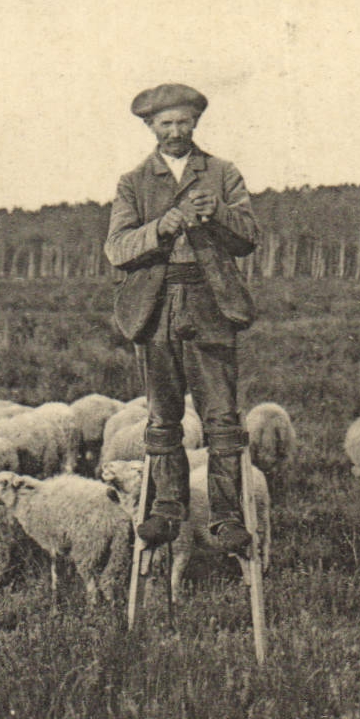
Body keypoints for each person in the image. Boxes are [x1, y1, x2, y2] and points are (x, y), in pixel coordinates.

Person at [104, 83, 260, 553]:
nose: (174, 131)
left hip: (210, 302)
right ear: (151, 127)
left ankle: (227, 517)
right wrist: (166, 224)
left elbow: (250, 236)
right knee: (163, 416)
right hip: (155, 307)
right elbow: (118, 249)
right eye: (164, 123)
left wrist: (219, 217)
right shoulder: (133, 182)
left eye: (182, 122)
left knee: (222, 418)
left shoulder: (222, 173)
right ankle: (167, 509)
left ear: (195, 123)